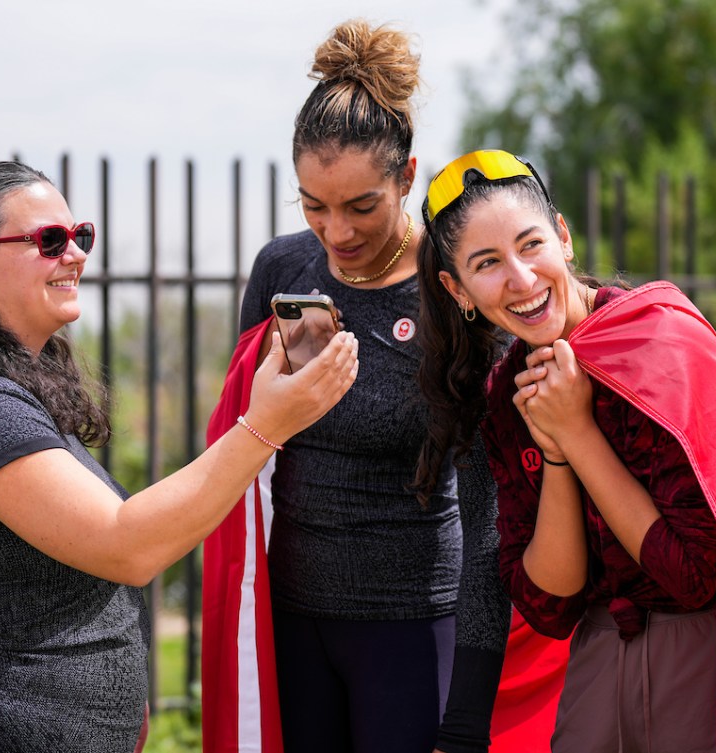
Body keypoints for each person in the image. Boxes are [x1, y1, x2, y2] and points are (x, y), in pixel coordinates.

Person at [0, 160, 359, 753]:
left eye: (80, 236)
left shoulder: (3, 384)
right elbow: (128, 546)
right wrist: (265, 426)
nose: (73, 254)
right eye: (47, 240)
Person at [414, 149, 716, 751]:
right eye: (487, 264)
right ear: (459, 291)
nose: (522, 279)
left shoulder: (663, 342)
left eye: (531, 245)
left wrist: (579, 432)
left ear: (564, 238)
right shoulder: (507, 397)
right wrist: (555, 450)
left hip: (701, 652)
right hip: (597, 655)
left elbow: (694, 576)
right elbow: (550, 608)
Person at [202, 20, 515, 753]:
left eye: (360, 206)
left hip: (412, 627)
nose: (333, 230)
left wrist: (468, 707)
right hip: (290, 622)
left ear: (407, 179)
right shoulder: (283, 270)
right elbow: (245, 448)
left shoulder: (455, 285)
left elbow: (489, 511)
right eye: (312, 203)